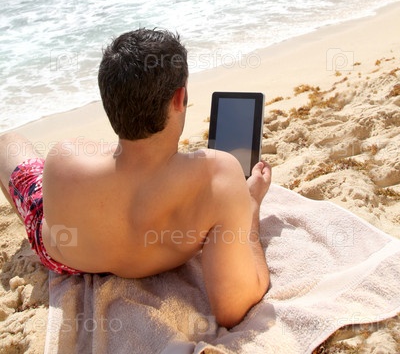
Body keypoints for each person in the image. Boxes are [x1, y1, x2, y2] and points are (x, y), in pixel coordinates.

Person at [0, 28, 271, 328]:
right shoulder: (217, 178)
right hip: (159, 259)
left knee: (8, 144)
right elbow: (233, 310)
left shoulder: (63, 158)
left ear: (108, 100)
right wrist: (250, 207)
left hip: (69, 260)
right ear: (179, 98)